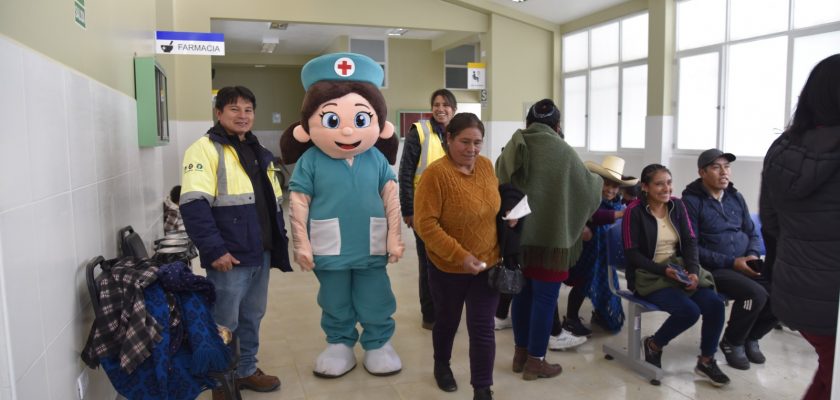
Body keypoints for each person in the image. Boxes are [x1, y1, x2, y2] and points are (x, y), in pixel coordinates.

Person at [287, 52, 405, 379]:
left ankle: (378, 343)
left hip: (371, 242)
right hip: (328, 246)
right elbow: (298, 202)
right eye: (333, 120)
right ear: (307, 126)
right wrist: (301, 244)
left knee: (375, 295)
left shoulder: (376, 159)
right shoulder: (311, 160)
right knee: (334, 296)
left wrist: (395, 238)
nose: (349, 131)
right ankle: (339, 344)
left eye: (361, 119)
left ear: (379, 124)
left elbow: (391, 198)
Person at [180, 86, 291, 397]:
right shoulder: (204, 149)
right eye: (234, 109)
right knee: (224, 321)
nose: (243, 116)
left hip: (260, 251)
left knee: (252, 316)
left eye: (248, 110)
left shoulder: (259, 150)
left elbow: (273, 201)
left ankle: (245, 370)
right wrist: (214, 249)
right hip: (229, 254)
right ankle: (221, 382)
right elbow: (193, 205)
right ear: (219, 113)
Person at [496, 99, 601, 380]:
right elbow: (589, 191)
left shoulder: (514, 145)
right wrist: (600, 181)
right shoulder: (564, 151)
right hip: (552, 241)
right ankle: (536, 362)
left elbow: (498, 179)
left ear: (528, 123)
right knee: (544, 300)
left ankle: (520, 355)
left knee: (521, 296)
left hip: (518, 239)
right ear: (557, 126)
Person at [760, 53, 840, 400]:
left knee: (829, 376)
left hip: (794, 287)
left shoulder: (782, 148)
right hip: (830, 298)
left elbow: (770, 222)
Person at [414, 112, 507, 400]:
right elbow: (426, 225)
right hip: (447, 267)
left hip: (487, 264)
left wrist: (509, 216)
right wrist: (460, 255)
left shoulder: (487, 166)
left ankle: (482, 388)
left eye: (477, 142)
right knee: (447, 321)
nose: (472, 149)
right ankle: (441, 364)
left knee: (482, 328)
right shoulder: (435, 175)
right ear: (449, 138)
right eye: (464, 142)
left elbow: (493, 206)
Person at [623, 164, 730, 387]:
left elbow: (690, 242)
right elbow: (632, 254)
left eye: (669, 183)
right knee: (689, 311)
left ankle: (706, 360)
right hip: (649, 274)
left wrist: (693, 272)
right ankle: (654, 345)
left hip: (678, 269)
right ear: (645, 187)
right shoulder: (634, 211)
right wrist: (664, 271)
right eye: (659, 184)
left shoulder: (677, 205)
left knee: (715, 305)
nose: (666, 188)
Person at [682, 148, 777, 370]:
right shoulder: (691, 202)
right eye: (716, 167)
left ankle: (751, 337)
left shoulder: (736, 197)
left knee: (782, 292)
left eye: (727, 167)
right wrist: (732, 262)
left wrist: (752, 255)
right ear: (702, 172)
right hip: (714, 269)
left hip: (745, 262)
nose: (724, 172)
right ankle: (732, 341)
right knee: (755, 294)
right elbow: (691, 247)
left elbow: (752, 233)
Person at [398, 88, 457, 330]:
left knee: (450, 262)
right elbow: (405, 172)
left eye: (445, 105)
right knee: (429, 263)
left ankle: (449, 311)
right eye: (436, 104)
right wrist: (408, 210)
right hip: (424, 211)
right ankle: (430, 315)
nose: (440, 109)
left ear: (454, 109)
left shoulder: (458, 134)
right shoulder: (419, 132)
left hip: (452, 212)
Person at [560, 156, 637, 337]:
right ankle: (571, 319)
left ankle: (601, 313)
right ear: (598, 182)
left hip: (602, 255)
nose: (610, 190)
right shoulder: (588, 199)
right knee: (582, 284)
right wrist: (620, 214)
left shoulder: (617, 203)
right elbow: (594, 215)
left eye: (615, 186)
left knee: (603, 285)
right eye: (606, 184)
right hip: (584, 252)